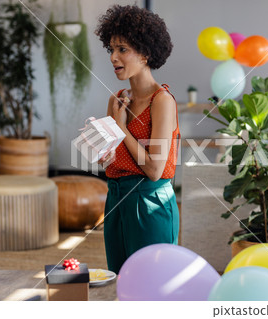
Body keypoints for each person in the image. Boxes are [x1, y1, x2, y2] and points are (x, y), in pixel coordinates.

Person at [95, 5, 180, 274]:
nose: (113, 57)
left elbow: (155, 170)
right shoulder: (116, 99)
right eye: (111, 49)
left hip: (150, 203)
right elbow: (110, 160)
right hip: (116, 200)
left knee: (152, 287)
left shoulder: (162, 101)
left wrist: (121, 128)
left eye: (122, 49)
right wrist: (102, 151)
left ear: (145, 53)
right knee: (120, 282)